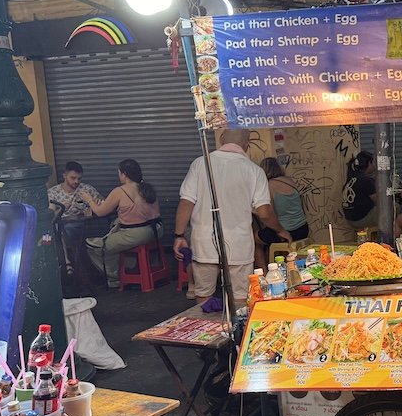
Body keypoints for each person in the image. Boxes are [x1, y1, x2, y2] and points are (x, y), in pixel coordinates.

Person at [173, 130, 292, 303]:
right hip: (239, 244)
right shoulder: (254, 170)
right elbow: (264, 213)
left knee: (203, 296)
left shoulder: (200, 164)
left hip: (203, 242)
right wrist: (280, 230)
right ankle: (238, 329)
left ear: (221, 140)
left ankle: (207, 328)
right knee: (241, 299)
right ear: (247, 145)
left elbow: (186, 203)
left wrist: (179, 235)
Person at [81, 159, 163, 289]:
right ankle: (130, 268)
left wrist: (89, 200)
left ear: (124, 174)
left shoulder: (120, 191)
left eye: (119, 173)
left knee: (96, 245)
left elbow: (100, 212)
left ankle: (116, 277)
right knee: (115, 238)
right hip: (156, 231)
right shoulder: (147, 188)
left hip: (135, 235)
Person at [255, 157, 310, 264]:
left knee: (255, 240)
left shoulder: (268, 186)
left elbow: (269, 213)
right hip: (303, 228)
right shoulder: (290, 181)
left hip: (287, 232)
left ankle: (265, 274)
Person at [48, 161, 101, 252]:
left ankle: (67, 262)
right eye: (73, 178)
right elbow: (50, 215)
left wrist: (93, 206)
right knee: (48, 234)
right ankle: (56, 258)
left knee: (64, 231)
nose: (76, 181)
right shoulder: (53, 192)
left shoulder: (86, 189)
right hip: (58, 225)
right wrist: (61, 209)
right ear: (64, 175)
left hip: (78, 225)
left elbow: (102, 202)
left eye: (79, 178)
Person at [342, 151, 377, 229]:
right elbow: (378, 201)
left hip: (350, 218)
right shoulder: (366, 180)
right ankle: (386, 237)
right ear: (369, 163)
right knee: (395, 207)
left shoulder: (352, 177)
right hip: (361, 219)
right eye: (373, 162)